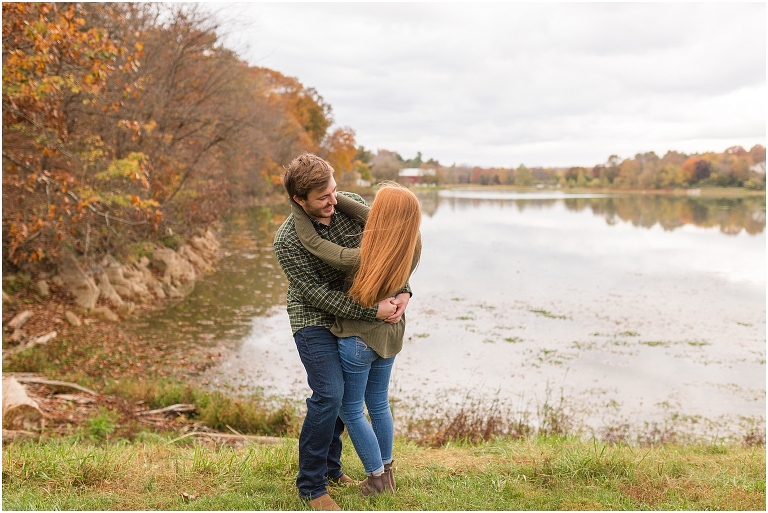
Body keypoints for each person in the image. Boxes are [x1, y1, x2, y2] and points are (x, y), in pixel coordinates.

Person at [273, 153, 411, 511]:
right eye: (323, 198)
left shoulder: (355, 208)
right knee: (330, 393)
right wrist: (372, 309)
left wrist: (403, 291)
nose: (333, 201)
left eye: (334, 192)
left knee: (349, 398)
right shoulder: (287, 241)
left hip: (360, 309)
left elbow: (389, 255)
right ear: (299, 201)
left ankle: (333, 469)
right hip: (315, 316)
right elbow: (319, 295)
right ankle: (311, 486)